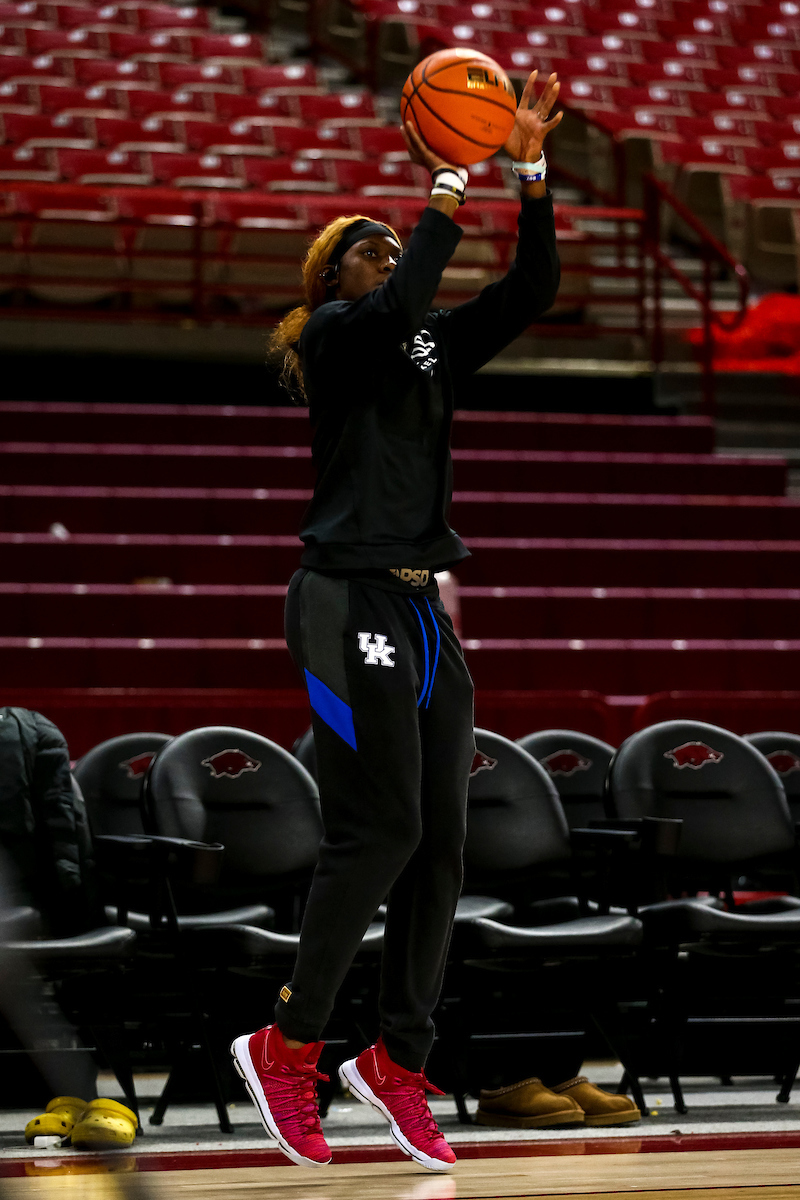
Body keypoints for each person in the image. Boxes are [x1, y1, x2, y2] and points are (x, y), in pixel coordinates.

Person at [231, 69, 562, 1172]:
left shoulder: (420, 346)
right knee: (375, 831)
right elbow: (397, 296)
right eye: (363, 245)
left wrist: (530, 175)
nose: (385, 250)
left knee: (437, 848)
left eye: (389, 239)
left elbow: (529, 288)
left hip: (422, 611)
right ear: (332, 279)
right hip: (339, 601)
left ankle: (397, 1063)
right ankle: (287, 1045)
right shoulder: (337, 337)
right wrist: (443, 183)